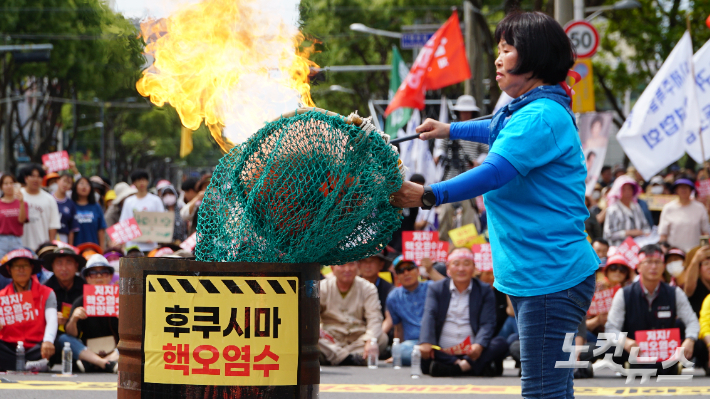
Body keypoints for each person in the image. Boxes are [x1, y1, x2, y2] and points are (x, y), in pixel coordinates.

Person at [390, 11, 597, 395]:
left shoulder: (541, 116)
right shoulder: (530, 108)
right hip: (541, 275)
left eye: (508, 49)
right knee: (550, 387)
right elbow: (495, 125)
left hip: (550, 277)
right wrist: (449, 128)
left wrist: (428, 194)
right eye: (499, 49)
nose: (499, 58)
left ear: (534, 58)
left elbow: (494, 172)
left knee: (542, 390)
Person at [604, 245, 699, 375]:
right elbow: (611, 328)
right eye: (648, 262)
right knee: (607, 346)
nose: (653, 267)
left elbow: (692, 321)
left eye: (657, 262)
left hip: (667, 349)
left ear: (663, 266)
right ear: (638, 267)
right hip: (634, 349)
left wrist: (690, 339)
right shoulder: (624, 293)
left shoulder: (674, 292)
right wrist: (625, 341)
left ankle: (668, 366)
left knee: (699, 344)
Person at [418, 248, 508, 376]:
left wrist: (479, 345)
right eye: (456, 264)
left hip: (473, 351)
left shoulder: (484, 290)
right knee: (423, 348)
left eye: (466, 264)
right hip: (443, 350)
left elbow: (487, 323)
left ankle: (458, 367)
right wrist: (426, 341)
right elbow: (429, 315)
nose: (461, 269)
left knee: (500, 343)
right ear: (448, 268)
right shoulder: (436, 288)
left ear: (474, 268)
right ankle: (471, 367)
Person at [318, 261, 386, 366]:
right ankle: (350, 358)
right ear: (332, 268)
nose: (347, 269)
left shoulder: (368, 288)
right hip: (331, 339)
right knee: (312, 338)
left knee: (381, 338)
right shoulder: (322, 287)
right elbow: (311, 316)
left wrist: (370, 339)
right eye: (342, 265)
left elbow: (374, 317)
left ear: (358, 267)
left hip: (358, 338)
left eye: (351, 264)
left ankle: (338, 357)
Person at [0, 249, 57, 372]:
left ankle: (16, 365)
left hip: (36, 348)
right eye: (16, 266)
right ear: (10, 270)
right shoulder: (1, 296)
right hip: (9, 348)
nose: (21, 270)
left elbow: (52, 319)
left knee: (58, 341)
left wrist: (48, 341)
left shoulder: (47, 293)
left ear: (31, 268)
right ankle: (29, 366)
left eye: (25, 265)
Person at [65, 254, 118, 372]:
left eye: (104, 272)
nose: (99, 276)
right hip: (88, 350)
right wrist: (74, 319)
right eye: (93, 273)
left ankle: (96, 363)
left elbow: (133, 333)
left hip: (116, 349)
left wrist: (124, 319)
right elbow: (71, 334)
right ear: (87, 278)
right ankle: (105, 363)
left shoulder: (120, 299)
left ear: (110, 276)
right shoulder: (80, 301)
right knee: (63, 338)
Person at [382, 257, 431, 366]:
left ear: (418, 271)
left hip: (434, 341)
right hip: (412, 344)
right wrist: (396, 354)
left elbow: (449, 285)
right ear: (397, 276)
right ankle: (433, 358)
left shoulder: (432, 287)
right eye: (401, 271)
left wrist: (431, 270)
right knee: (400, 351)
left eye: (409, 268)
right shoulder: (393, 296)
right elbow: (398, 328)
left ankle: (429, 357)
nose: (406, 273)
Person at [434, 95, 488, 181]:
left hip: (470, 173)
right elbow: (442, 147)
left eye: (467, 112)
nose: (465, 114)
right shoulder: (451, 129)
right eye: (462, 112)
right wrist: (438, 156)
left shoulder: (477, 130)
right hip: (451, 172)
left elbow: (486, 151)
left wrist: (477, 162)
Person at [659, 179, 710, 253]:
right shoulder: (668, 208)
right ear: (676, 190)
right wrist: (664, 250)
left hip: (695, 252)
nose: (683, 190)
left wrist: (704, 251)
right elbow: (663, 234)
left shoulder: (700, 208)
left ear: (691, 190)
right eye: (681, 187)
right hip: (674, 252)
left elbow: (705, 233)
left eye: (686, 187)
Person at [119, 170, 164, 253]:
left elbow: (162, 221)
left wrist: (154, 236)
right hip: (133, 246)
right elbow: (124, 222)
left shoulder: (155, 200)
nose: (141, 182)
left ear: (147, 181)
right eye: (138, 180)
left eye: (144, 179)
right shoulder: (129, 202)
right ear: (134, 183)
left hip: (151, 246)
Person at [18, 164, 61, 250]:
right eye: (32, 176)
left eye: (39, 177)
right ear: (26, 178)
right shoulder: (18, 195)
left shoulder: (49, 199)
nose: (35, 179)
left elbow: (53, 225)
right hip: (19, 245)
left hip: (42, 247)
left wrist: (49, 246)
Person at [603, 175, 651, 247]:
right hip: (618, 248)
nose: (627, 192)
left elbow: (646, 226)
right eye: (624, 189)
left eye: (630, 189)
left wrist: (644, 232)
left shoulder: (637, 207)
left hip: (638, 246)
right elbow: (608, 235)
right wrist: (628, 233)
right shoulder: (613, 209)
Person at [71, 177, 107, 248]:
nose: (84, 186)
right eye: (81, 183)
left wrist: (102, 250)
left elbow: (101, 230)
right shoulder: (71, 205)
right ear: (75, 187)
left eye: (87, 184)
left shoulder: (96, 206)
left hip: (94, 250)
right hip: (76, 250)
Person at [357, 252, 394, 319]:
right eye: (364, 261)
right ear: (358, 265)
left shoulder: (389, 290)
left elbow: (389, 319)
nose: (368, 266)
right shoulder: (350, 285)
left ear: (381, 265)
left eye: (372, 261)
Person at [0, 174, 28, 260]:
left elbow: (21, 220)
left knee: (16, 265)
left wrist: (21, 202)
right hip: (1, 240)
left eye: (11, 183)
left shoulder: (23, 203)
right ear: (1, 187)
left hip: (16, 240)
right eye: (6, 183)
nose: (9, 186)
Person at [53, 173, 78, 244]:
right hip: (46, 235)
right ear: (57, 181)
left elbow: (72, 229)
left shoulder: (71, 204)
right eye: (64, 181)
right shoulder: (48, 199)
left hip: (63, 238)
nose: (65, 184)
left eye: (69, 183)